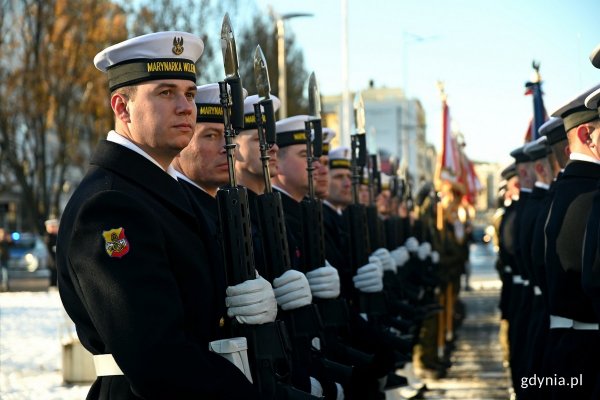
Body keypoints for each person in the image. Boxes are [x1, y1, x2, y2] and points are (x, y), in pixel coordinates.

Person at [57, 32, 274, 399]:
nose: (185, 107)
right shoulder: (108, 205)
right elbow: (158, 358)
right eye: (165, 92)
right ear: (122, 108)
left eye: (189, 94)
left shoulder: (166, 192)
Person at [544, 83, 600, 400]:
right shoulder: (588, 196)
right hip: (587, 353)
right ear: (585, 136)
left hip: (566, 347)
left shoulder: (567, 191)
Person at [44, 218, 59, 287]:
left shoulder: (56, 236)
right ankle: (52, 285)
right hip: (52, 258)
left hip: (55, 258)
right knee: (53, 272)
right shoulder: (48, 236)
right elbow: (50, 247)